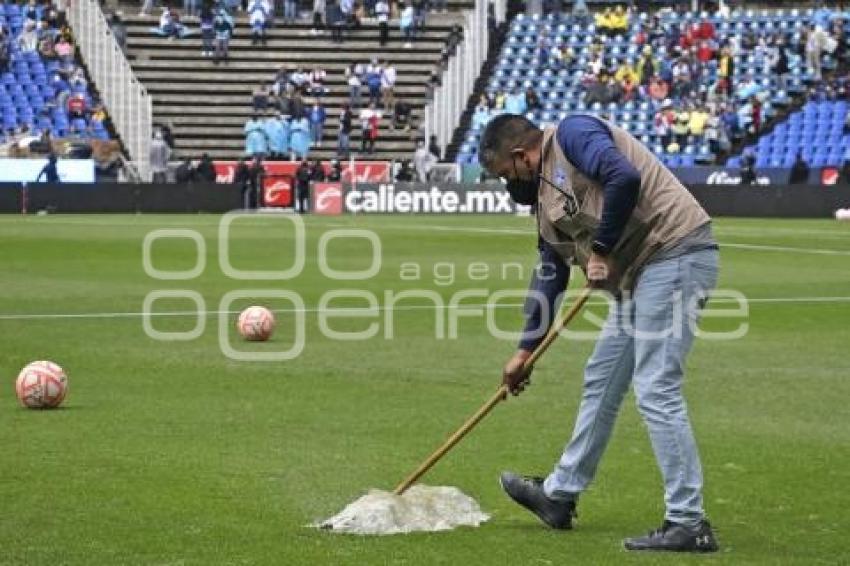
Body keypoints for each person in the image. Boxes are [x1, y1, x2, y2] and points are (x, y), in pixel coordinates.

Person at [478, 113, 720, 553]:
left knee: (656, 387)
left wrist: (603, 249)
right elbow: (549, 274)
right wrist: (524, 351)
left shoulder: (573, 135)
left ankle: (689, 522)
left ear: (520, 156)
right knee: (602, 379)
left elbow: (623, 177)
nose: (507, 184)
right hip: (641, 277)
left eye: (505, 174)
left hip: (675, 252)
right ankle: (559, 496)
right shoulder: (545, 207)